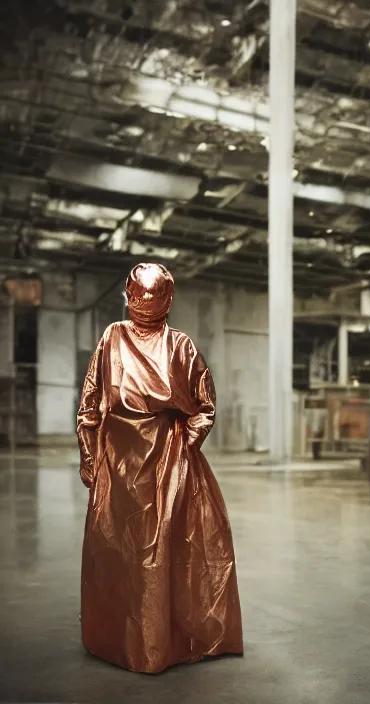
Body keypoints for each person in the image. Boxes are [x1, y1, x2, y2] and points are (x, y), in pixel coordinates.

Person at [76, 263, 243, 674]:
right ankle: (127, 639)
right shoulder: (112, 338)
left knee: (162, 555)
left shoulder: (178, 345)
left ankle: (156, 642)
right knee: (121, 554)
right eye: (139, 296)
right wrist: (90, 455)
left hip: (165, 466)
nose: (144, 304)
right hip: (119, 464)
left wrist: (182, 448)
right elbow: (92, 404)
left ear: (167, 300)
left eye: (152, 297)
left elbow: (204, 406)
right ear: (129, 296)